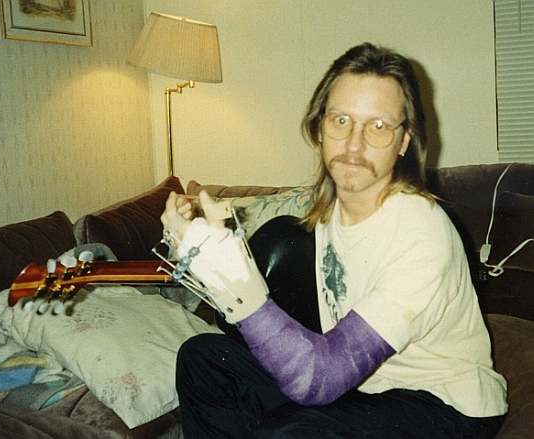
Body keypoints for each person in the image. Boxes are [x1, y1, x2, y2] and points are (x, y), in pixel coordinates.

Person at [160, 42, 508, 439]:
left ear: (404, 142)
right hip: (363, 389)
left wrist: (235, 284)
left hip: (446, 404)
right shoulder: (328, 208)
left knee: (291, 432)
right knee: (204, 360)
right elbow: (244, 243)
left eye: (378, 126)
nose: (354, 144)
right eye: (341, 120)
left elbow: (317, 380)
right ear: (319, 128)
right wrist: (194, 236)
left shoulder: (422, 235)